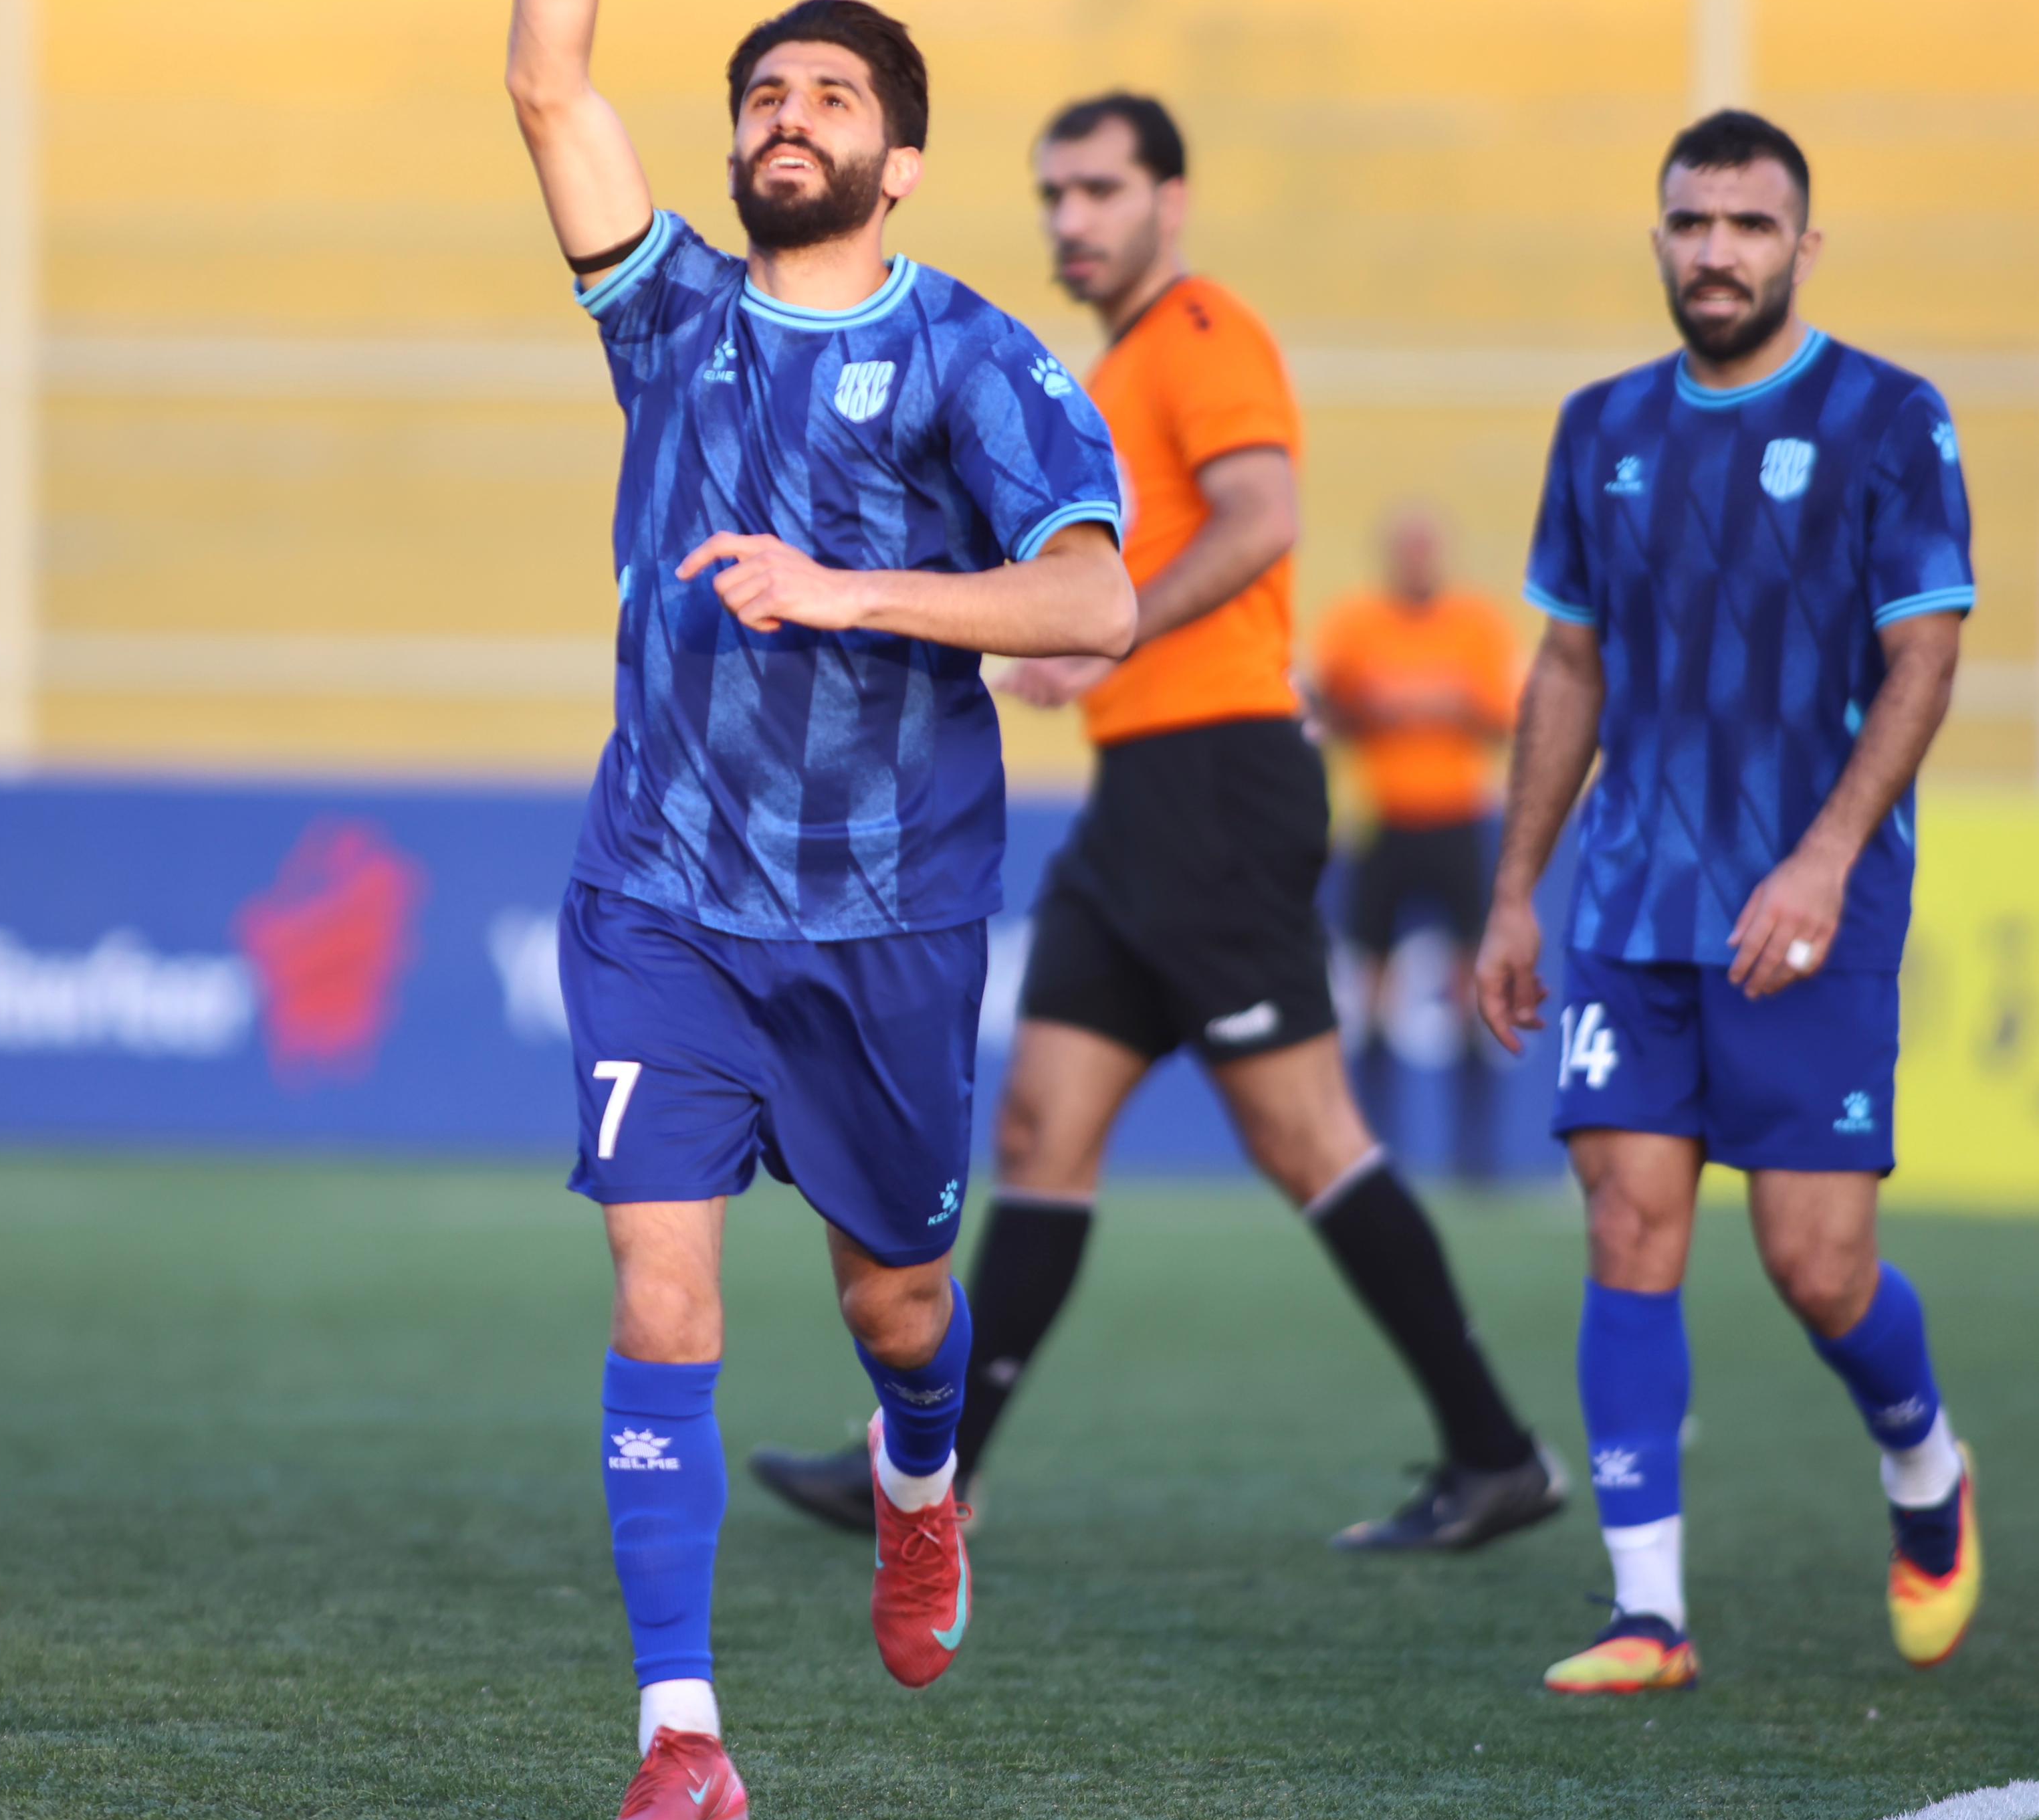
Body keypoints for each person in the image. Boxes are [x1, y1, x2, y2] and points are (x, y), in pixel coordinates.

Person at [505, 0, 1135, 1820]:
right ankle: (683, 1735)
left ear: (898, 156)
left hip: (882, 925)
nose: (784, 121)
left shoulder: (974, 363)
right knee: (655, 1276)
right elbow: (553, 91)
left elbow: (1091, 600)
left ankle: (917, 1477)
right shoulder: (667, 314)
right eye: (763, 95)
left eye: (828, 101)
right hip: (660, 898)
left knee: (894, 1296)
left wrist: (856, 591)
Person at [752, 93, 1563, 1554]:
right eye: (1055, 191)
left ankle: (1498, 1454)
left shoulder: (1202, 337)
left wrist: (1105, 635)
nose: (1073, 217)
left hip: (1220, 785)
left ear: (1169, 203)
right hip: (1142, 799)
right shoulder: (1113, 366)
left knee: (1309, 1137)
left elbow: (1262, 518)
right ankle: (927, 1476)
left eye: (1103, 189)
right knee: (1042, 1126)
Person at [1477, 108, 1981, 1697]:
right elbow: (1568, 664)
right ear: (1658, 238)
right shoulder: (1599, 425)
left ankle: (1923, 1470)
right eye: (1691, 223)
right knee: (1627, 1226)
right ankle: (1647, 1614)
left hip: (1806, 908)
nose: (1715, 253)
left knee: (1813, 1262)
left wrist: (1827, 853)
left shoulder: (1887, 418)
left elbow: (1926, 655)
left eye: (1748, 227)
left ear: (1800, 248)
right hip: (1630, 902)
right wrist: (1512, 895)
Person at [1313, 510, 1521, 1168]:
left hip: (1458, 820)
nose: (1416, 562)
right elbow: (1330, 710)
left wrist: (1438, 705)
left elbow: (1499, 718)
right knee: (1371, 987)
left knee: (1470, 984)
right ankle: (1374, 1148)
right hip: (1383, 822)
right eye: (1407, 550)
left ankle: (1476, 1155)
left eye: (1425, 549)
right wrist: (1378, 709)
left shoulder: (1476, 623)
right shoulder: (1355, 624)